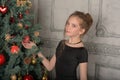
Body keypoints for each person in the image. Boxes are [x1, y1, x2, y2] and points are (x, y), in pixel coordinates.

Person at [22, 11, 93, 80]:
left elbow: (83, 78)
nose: (68, 27)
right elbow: (49, 66)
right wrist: (35, 49)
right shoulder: (62, 44)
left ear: (81, 31)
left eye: (73, 25)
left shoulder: (82, 51)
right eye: (68, 23)